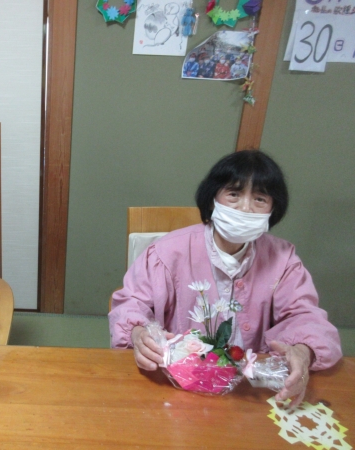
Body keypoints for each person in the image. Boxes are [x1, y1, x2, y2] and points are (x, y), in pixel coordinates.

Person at [109, 150, 342, 406]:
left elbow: (305, 315)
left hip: (250, 390)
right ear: (212, 199)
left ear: (273, 209)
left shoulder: (283, 259)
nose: (245, 208)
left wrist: (302, 350)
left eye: (260, 199)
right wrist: (138, 333)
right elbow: (131, 303)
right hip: (180, 381)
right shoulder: (167, 252)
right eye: (234, 194)